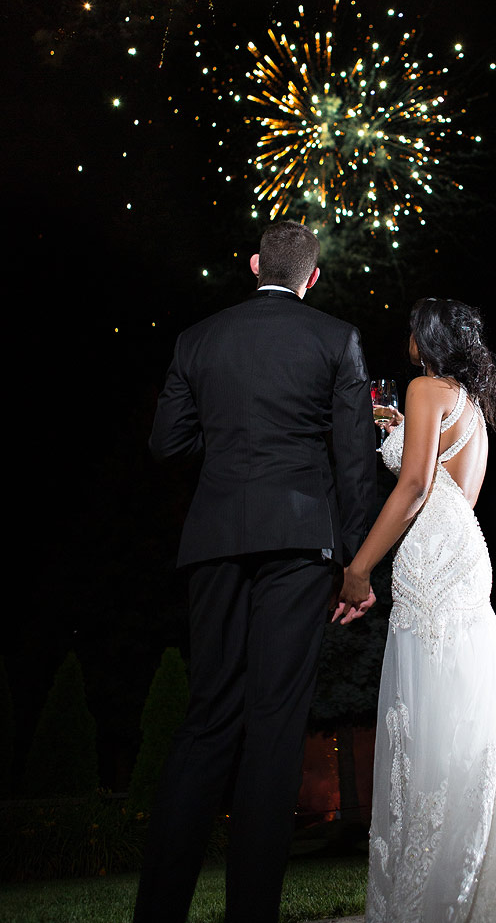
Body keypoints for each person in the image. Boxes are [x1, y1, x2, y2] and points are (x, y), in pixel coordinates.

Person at [133, 220, 378, 923]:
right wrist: (356, 565)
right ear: (313, 277)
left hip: (213, 539)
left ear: (251, 265)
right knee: (274, 723)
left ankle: (158, 912)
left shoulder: (197, 339)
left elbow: (166, 444)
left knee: (208, 717)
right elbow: (354, 462)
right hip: (300, 541)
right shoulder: (335, 339)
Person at [335, 297, 496, 923]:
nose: (406, 342)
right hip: (463, 553)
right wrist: (397, 426)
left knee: (433, 714)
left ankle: (446, 884)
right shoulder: (469, 403)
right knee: (467, 707)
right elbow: (456, 491)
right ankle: (484, 873)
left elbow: (418, 485)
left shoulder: (426, 387)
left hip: (432, 556)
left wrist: (359, 567)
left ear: (427, 339)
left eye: (411, 333)